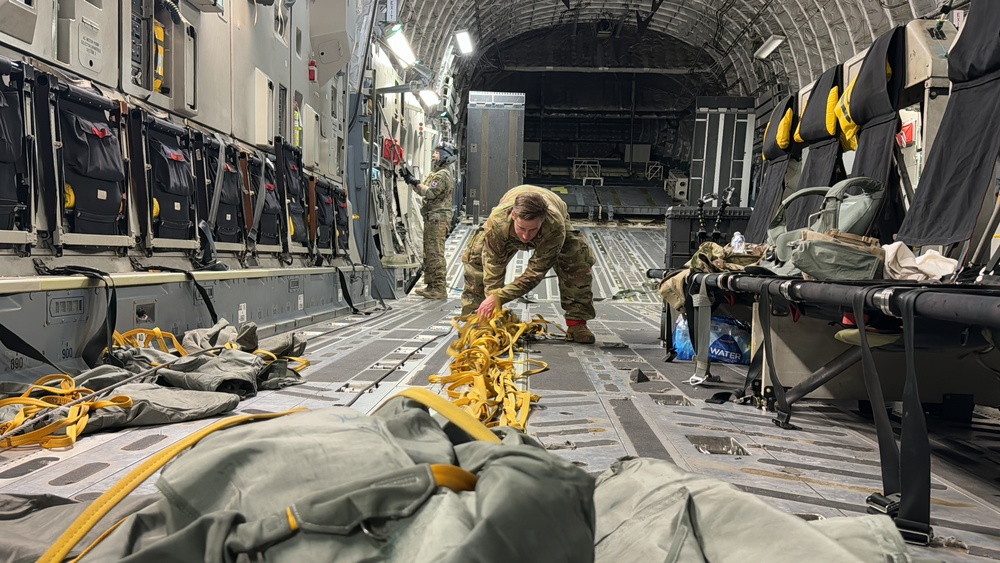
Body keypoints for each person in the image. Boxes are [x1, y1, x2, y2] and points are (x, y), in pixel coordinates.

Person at [462, 185, 597, 344]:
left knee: (577, 256)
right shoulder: (497, 222)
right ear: (513, 215)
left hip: (555, 214)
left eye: (532, 230)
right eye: (521, 228)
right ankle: (475, 321)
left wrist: (499, 297)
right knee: (476, 256)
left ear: (543, 220)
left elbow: (534, 274)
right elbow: (493, 269)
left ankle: (577, 324)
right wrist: (493, 305)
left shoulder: (554, 226)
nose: (526, 237)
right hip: (508, 214)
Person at [401, 141, 457, 299]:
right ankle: (431, 286)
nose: (434, 155)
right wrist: (411, 181)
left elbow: (430, 193)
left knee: (435, 254)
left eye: (437, 152)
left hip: (437, 219)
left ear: (445, 156)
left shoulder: (442, 174)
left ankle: (439, 288)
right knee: (429, 253)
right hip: (432, 218)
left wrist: (415, 182)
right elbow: (422, 191)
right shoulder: (436, 173)